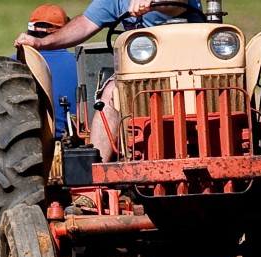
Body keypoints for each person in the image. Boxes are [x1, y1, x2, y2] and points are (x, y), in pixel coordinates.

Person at [16, 0, 200, 161]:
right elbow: (85, 24)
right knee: (111, 95)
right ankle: (96, 174)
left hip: (191, 67)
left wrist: (152, 2)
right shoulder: (114, 1)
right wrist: (41, 43)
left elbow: (178, 3)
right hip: (139, 74)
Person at [19, 4, 78, 139]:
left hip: (25, 143)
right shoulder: (81, 63)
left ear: (29, 31)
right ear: (66, 32)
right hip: (72, 144)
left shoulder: (13, 63)